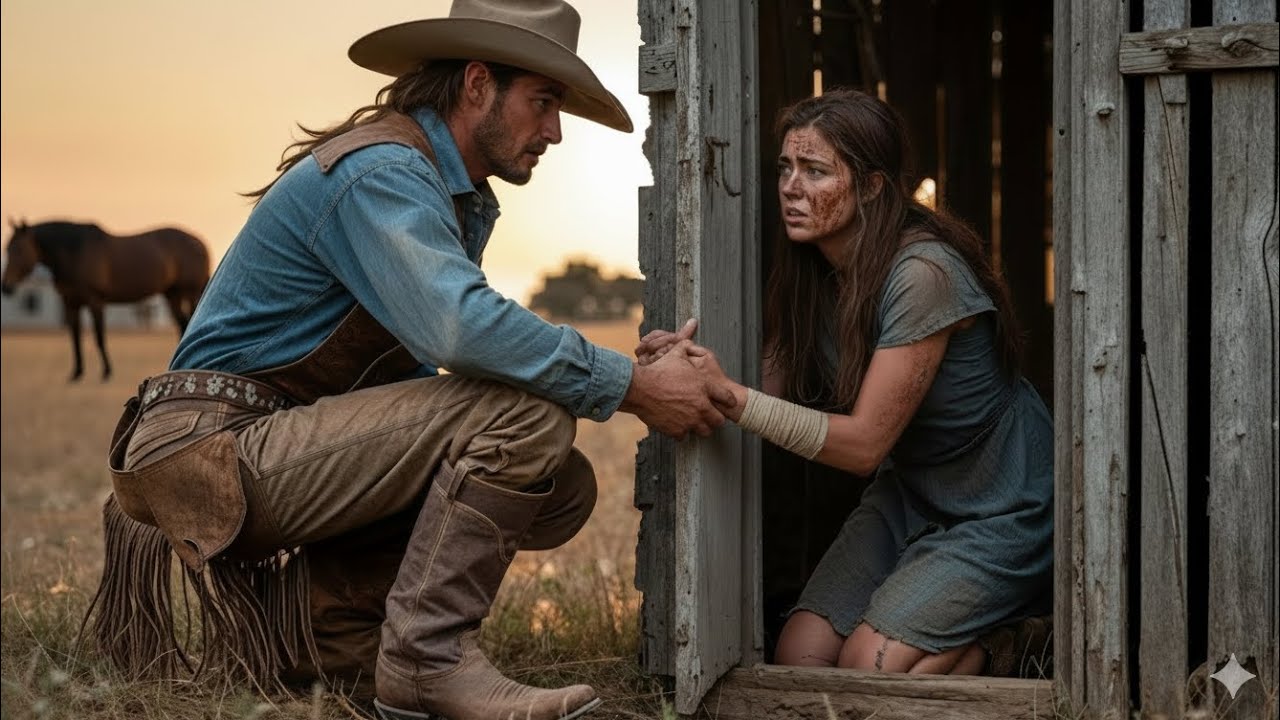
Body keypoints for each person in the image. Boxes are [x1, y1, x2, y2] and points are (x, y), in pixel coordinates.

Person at [82, 3, 733, 720]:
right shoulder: (383, 172)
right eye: (543, 103)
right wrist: (633, 383)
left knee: (560, 483)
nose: (554, 132)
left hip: (266, 443)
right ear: (478, 84)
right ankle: (427, 660)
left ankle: (316, 635)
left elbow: (441, 367)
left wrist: (621, 368)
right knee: (527, 419)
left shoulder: (443, 189)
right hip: (210, 449)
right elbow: (460, 328)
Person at [639, 88, 1053, 676]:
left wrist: (728, 395)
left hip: (1001, 505)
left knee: (872, 664)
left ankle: (1017, 645)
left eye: (815, 171)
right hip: (911, 495)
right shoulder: (814, 272)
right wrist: (685, 368)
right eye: (786, 167)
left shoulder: (924, 275)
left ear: (873, 187)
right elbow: (765, 386)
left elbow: (861, 447)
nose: (790, 186)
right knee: (799, 655)